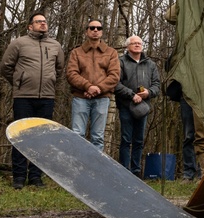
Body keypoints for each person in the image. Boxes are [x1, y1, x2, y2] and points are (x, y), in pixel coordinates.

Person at [0, 11, 65, 189]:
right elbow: (6, 67)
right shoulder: (19, 43)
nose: (43, 24)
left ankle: (36, 177)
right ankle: (19, 177)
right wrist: (19, 82)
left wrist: (50, 81)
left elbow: (59, 69)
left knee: (42, 138)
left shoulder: (55, 45)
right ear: (30, 26)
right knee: (21, 136)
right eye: (38, 22)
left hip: (47, 97)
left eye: (44, 21)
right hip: (23, 97)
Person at [65, 19, 121, 150]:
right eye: (92, 28)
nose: (95, 30)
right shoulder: (76, 52)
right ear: (86, 31)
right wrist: (88, 87)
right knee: (77, 134)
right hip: (80, 97)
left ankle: (95, 169)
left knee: (98, 137)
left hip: (102, 98)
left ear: (102, 32)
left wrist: (98, 89)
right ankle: (76, 167)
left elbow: (114, 76)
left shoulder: (111, 52)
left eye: (99, 28)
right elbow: (71, 74)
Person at [115, 35, 162, 177]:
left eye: (139, 43)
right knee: (125, 139)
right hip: (126, 105)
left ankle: (136, 171)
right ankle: (124, 171)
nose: (137, 45)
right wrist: (131, 95)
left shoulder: (150, 64)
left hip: (143, 107)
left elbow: (157, 85)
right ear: (127, 47)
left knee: (139, 140)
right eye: (134, 43)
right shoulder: (120, 62)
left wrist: (149, 92)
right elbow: (115, 84)